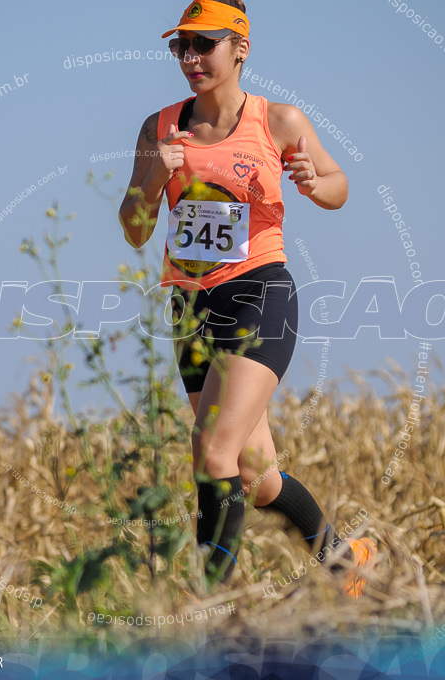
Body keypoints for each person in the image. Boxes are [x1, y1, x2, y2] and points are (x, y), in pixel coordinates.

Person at [117, 0, 375, 594]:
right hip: (189, 306)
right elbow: (133, 228)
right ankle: (346, 560)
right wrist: (156, 179)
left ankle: (209, 605)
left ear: (241, 49)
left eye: (203, 44)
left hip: (258, 292)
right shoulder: (158, 128)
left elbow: (339, 186)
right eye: (181, 46)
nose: (190, 58)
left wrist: (316, 183)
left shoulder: (278, 121)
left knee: (213, 452)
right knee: (257, 479)